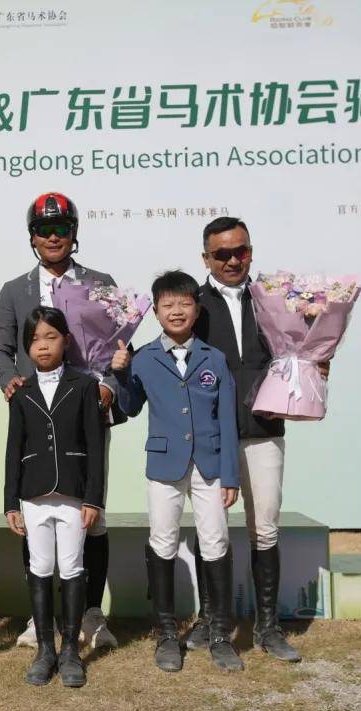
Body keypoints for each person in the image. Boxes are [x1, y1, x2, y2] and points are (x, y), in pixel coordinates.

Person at [0, 191, 120, 650]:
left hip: (87, 412)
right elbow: (1, 348)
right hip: (38, 414)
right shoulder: (13, 291)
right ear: (32, 237)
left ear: (74, 233)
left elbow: (116, 346)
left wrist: (109, 384)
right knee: (36, 511)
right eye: (44, 230)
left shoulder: (101, 283)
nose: (52, 237)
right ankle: (39, 617)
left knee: (92, 515)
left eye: (61, 228)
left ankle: (91, 613)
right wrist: (8, 379)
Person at [189, 217, 315, 663]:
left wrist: (316, 363)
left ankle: (268, 626)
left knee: (265, 527)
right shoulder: (192, 304)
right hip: (211, 435)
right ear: (206, 258)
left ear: (251, 252)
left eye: (239, 251)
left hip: (264, 430)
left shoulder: (273, 299)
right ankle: (210, 619)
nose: (232, 260)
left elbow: (299, 353)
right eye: (221, 254)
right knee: (211, 529)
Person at [112, 270, 244, 672]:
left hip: (210, 465)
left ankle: (219, 634)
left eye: (184, 303)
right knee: (163, 541)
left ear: (197, 309)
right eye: (167, 304)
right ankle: (166, 634)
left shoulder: (214, 358)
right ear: (155, 311)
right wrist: (121, 373)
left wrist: (231, 475)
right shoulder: (143, 357)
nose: (176, 311)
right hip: (164, 464)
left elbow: (227, 421)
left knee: (216, 540)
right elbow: (130, 406)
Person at [4, 307, 105, 688]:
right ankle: (45, 650)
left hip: (74, 494)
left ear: (66, 340)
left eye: (51, 337)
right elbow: (13, 449)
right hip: (33, 494)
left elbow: (95, 446)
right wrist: (10, 502)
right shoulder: (20, 392)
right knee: (40, 566)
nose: (43, 346)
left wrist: (94, 498)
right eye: (34, 340)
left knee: (73, 566)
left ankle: (71, 651)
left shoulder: (84, 386)